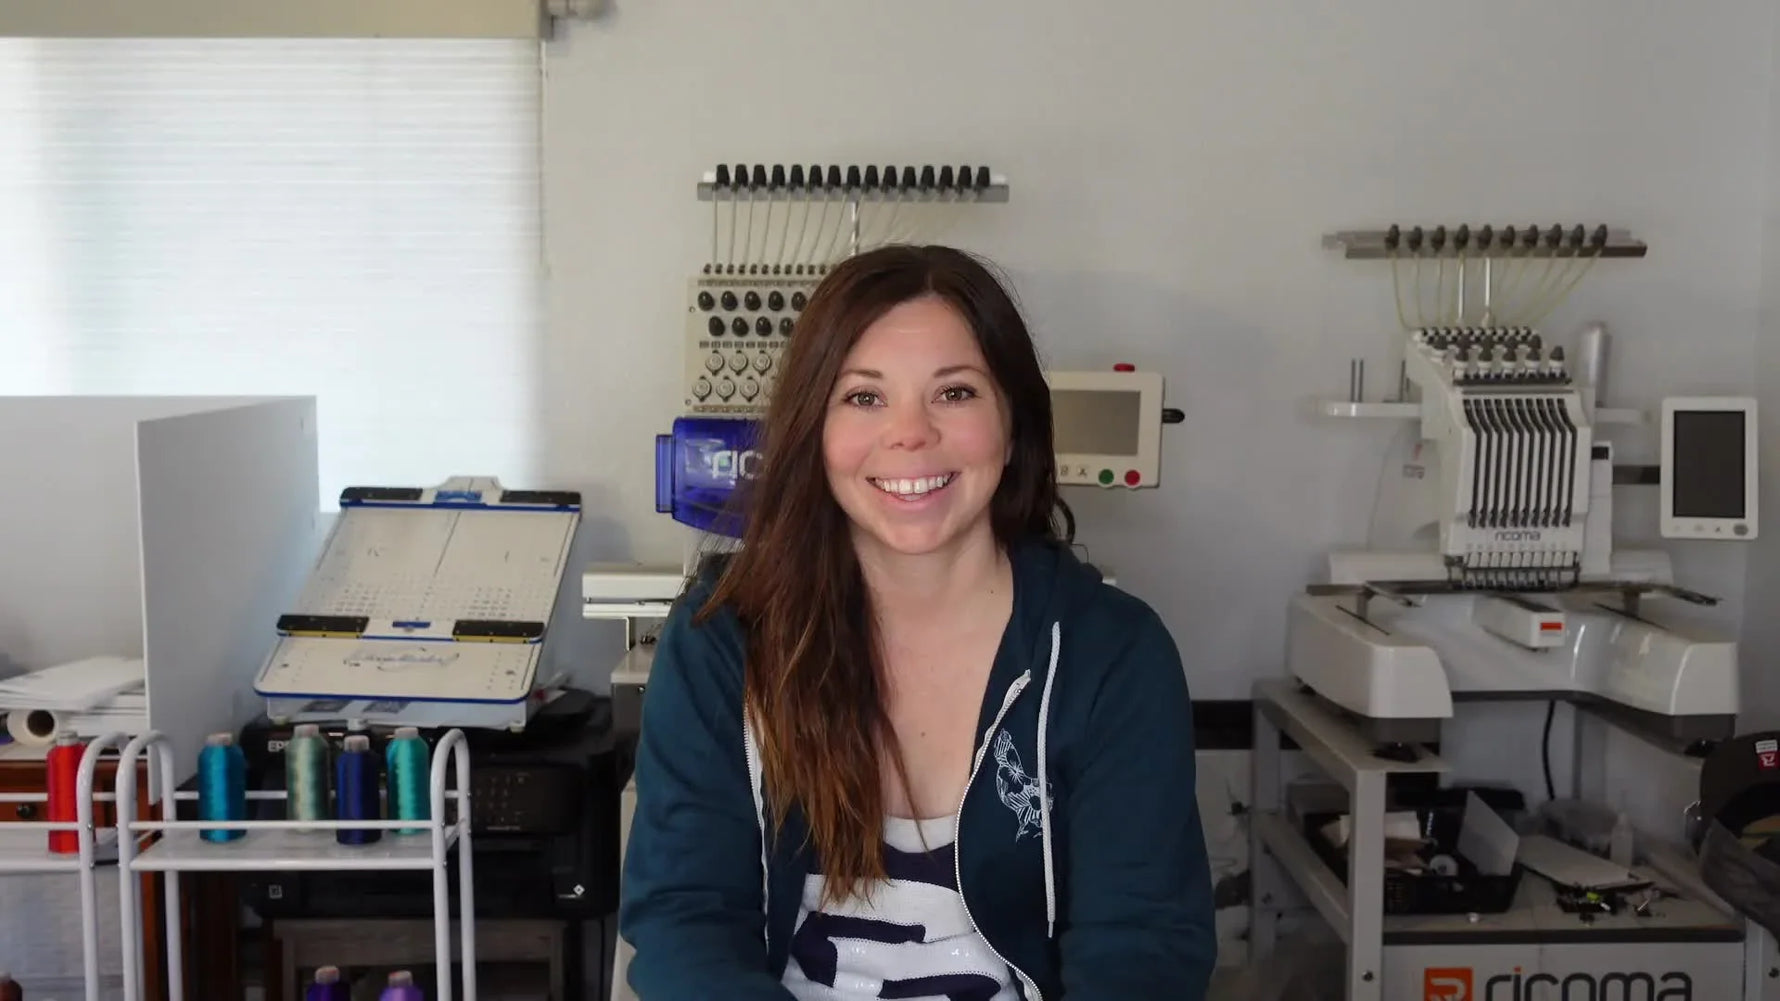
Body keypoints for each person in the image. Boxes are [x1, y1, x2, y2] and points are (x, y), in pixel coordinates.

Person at [618, 244, 1216, 1000]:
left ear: (1013, 420)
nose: (910, 433)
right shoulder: (723, 641)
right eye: (865, 397)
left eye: (955, 393)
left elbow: (1144, 949)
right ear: (814, 428)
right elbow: (686, 920)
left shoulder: (1113, 656)